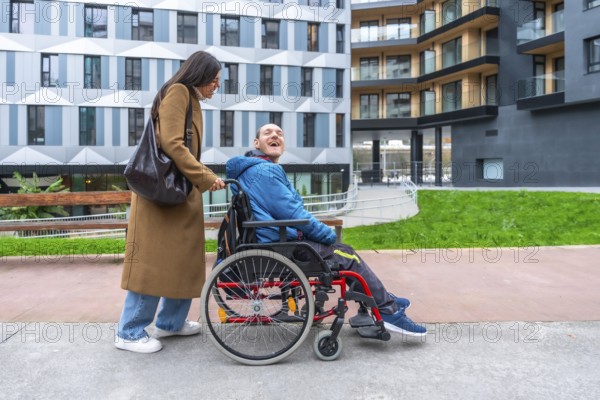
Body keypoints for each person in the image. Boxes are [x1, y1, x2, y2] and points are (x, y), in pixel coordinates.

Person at [225, 123, 427, 336]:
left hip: (273, 240)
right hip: (282, 245)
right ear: (257, 143)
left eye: (280, 133)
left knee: (343, 251)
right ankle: (388, 310)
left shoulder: (254, 169)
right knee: (347, 256)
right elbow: (293, 214)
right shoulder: (265, 171)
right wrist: (326, 233)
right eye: (268, 133)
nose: (275, 135)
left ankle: (383, 299)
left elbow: (288, 211)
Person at [115, 51, 226, 353]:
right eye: (214, 81)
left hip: (176, 194)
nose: (216, 87)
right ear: (200, 76)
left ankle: (171, 322)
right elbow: (171, 143)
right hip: (163, 197)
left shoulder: (189, 97)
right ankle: (129, 332)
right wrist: (205, 176)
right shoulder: (179, 92)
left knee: (182, 262)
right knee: (153, 264)